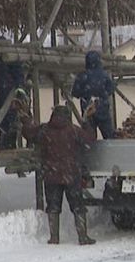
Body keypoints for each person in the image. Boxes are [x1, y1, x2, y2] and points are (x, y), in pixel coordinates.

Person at [20, 103, 98, 246]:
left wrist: (25, 119)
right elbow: (90, 139)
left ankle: (54, 237)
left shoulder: (45, 130)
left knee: (53, 206)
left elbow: (29, 134)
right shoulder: (73, 131)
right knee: (77, 206)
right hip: (71, 175)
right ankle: (83, 236)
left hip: (51, 175)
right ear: (68, 116)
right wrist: (87, 121)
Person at [71, 50, 117, 139]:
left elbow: (75, 93)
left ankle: (91, 152)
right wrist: (102, 95)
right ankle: (110, 151)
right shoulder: (104, 75)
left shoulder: (82, 76)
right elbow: (111, 89)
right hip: (102, 107)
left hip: (88, 109)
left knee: (89, 138)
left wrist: (85, 94)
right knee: (109, 136)